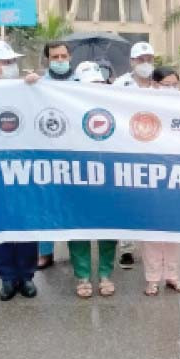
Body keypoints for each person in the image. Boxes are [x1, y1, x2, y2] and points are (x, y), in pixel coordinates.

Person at [0, 40, 40, 301]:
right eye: (6, 62)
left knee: (27, 222)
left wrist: (37, 85)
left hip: (25, 166)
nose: (11, 67)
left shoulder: (25, 88)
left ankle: (27, 276)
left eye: (12, 62)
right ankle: (7, 278)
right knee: (1, 225)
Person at [66, 61, 119, 298]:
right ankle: (83, 276)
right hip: (78, 176)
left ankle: (106, 274)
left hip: (109, 175)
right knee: (78, 229)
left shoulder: (116, 108)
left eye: (98, 83)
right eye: (90, 84)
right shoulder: (67, 109)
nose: (95, 88)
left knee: (109, 226)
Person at [25, 41, 75, 270]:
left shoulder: (82, 83)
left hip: (76, 153)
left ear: (70, 57)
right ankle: (45, 252)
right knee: (46, 202)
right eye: (55, 57)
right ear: (47, 59)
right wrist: (28, 86)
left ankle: (77, 251)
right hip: (47, 152)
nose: (60, 60)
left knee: (75, 203)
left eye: (64, 56)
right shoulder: (38, 84)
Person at [141, 66, 180, 296]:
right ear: (154, 84)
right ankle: (152, 279)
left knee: (173, 231)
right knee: (152, 232)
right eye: (165, 84)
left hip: (176, 176)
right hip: (151, 175)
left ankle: (172, 275)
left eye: (174, 84)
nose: (170, 89)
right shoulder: (142, 105)